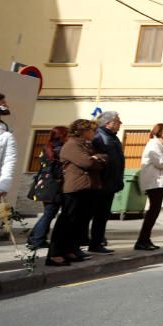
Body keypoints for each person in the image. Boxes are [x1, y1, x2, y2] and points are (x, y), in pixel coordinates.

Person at [47, 119, 106, 266]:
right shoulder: (72, 145)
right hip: (74, 189)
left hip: (87, 188)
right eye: (92, 130)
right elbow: (87, 163)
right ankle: (55, 253)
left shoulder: (85, 145)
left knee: (79, 222)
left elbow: (103, 160)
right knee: (67, 221)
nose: (95, 133)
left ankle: (70, 250)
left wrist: (98, 159)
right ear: (83, 131)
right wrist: (96, 160)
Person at [135, 123, 163, 251]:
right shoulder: (153, 144)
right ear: (159, 132)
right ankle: (142, 240)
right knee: (153, 211)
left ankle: (145, 239)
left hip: (158, 182)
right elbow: (160, 163)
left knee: (154, 211)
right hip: (154, 183)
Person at [27, 126, 68, 250]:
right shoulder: (60, 150)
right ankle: (36, 239)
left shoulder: (47, 147)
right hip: (54, 186)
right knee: (49, 213)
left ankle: (36, 237)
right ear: (63, 135)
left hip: (43, 184)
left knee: (48, 213)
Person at [90, 111, 124, 254]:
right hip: (101, 183)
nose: (120, 123)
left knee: (103, 215)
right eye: (118, 121)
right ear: (108, 123)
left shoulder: (113, 138)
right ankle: (94, 243)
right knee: (98, 214)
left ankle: (97, 241)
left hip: (110, 183)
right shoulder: (99, 137)